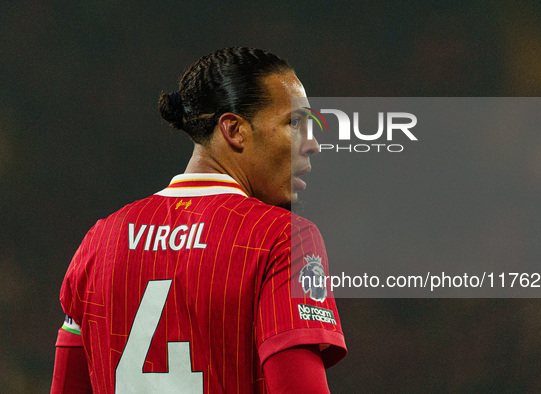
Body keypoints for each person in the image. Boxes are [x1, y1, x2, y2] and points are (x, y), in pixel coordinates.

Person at [51, 47, 346, 393]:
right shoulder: (282, 238)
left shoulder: (100, 242)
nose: (312, 144)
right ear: (234, 129)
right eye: (294, 123)